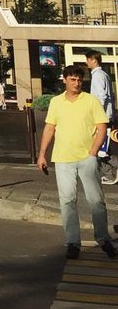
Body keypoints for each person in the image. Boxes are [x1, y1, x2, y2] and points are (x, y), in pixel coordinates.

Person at [37, 63, 116, 259]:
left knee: (96, 200)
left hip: (86, 158)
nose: (77, 83)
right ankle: (73, 242)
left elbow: (102, 127)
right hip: (63, 158)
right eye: (72, 79)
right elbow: (49, 128)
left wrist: (93, 152)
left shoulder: (90, 101)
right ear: (64, 80)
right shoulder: (56, 102)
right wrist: (42, 154)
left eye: (80, 80)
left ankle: (103, 238)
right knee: (67, 201)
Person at [85, 51, 117, 185]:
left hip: (102, 117)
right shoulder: (104, 75)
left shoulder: (98, 76)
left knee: (101, 148)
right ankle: (109, 175)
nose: (86, 63)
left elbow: (102, 97)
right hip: (108, 116)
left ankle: (110, 173)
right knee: (104, 147)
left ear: (93, 60)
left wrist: (98, 115)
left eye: (87, 60)